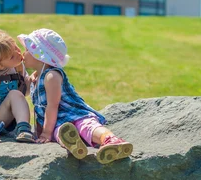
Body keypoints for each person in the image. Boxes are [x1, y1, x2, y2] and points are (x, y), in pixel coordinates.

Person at [18, 28, 133, 164]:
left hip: (75, 114)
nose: (23, 54)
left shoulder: (51, 76)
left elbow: (52, 106)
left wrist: (46, 132)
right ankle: (76, 146)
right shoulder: (36, 76)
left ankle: (110, 140)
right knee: (61, 132)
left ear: (39, 54)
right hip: (58, 122)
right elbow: (29, 99)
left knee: (86, 125)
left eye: (27, 50)